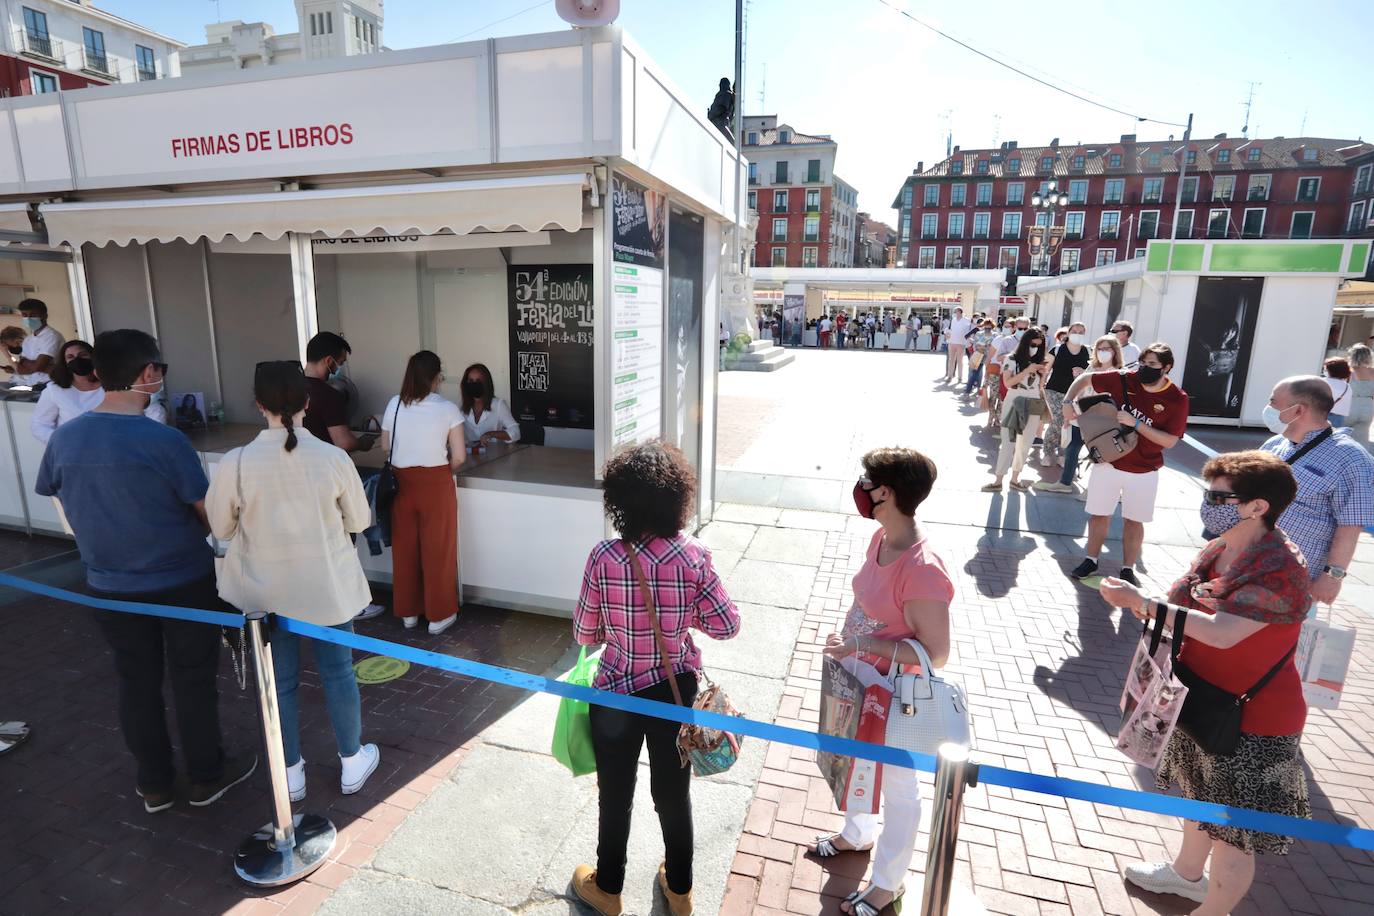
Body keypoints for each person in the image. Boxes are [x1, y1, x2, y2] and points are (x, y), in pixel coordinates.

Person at [34, 329, 255, 813]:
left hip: (107, 585)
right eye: (159, 369)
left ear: (96, 373)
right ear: (148, 373)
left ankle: (154, 783)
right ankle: (205, 775)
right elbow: (208, 514)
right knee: (193, 680)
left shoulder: (66, 438)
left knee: (136, 682)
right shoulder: (164, 441)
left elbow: (54, 491)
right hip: (182, 582)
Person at [1100, 450, 1311, 916]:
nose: (1208, 501)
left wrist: (1148, 604)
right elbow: (1190, 611)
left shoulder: (1279, 566)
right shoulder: (1223, 545)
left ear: (1258, 506)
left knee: (1235, 833)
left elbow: (1223, 633)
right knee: (1201, 798)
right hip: (1205, 698)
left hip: (1254, 718)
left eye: (1220, 495)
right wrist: (1144, 606)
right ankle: (1186, 876)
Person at [570, 441, 740, 916]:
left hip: (615, 692)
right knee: (672, 793)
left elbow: (584, 631)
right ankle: (680, 891)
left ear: (620, 501)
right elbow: (728, 624)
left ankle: (607, 888)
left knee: (615, 794)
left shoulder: (603, 556)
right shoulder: (694, 556)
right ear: (675, 498)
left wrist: (616, 626)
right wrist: (684, 616)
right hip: (673, 690)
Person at [207, 361, 380, 802]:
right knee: (339, 674)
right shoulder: (333, 458)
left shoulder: (236, 462)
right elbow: (360, 519)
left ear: (258, 403)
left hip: (263, 594)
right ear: (306, 402)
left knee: (278, 683)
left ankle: (291, 772)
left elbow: (221, 529)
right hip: (327, 586)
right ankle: (351, 761)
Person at [810, 447, 953, 916]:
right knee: (856, 761)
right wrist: (850, 637)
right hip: (860, 680)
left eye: (867, 480)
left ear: (886, 492)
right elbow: (870, 603)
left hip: (895, 697)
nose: (862, 487)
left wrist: (861, 647)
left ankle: (888, 883)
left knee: (899, 788)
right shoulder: (881, 539)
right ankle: (857, 834)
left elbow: (937, 654)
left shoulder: (924, 567)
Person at [1062, 343, 1189, 585]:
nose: (1144, 368)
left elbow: (1170, 441)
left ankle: (1127, 568)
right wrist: (1068, 403)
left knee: (1134, 520)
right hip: (1108, 462)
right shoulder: (1124, 379)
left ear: (1167, 368)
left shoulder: (1177, 399)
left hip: (1145, 469)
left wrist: (1137, 425)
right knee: (1099, 515)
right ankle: (1091, 559)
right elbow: (1087, 378)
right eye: (1143, 362)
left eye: (1152, 364)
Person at [1258, 376, 1374, 606]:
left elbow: (1350, 525)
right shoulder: (1273, 445)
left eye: (1273, 402)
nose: (1268, 408)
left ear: (1298, 410)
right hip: (1248, 564)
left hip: (1292, 579)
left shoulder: (1350, 458)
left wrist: (1332, 577)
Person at [381, 351, 465, 635]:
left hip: (402, 483)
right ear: (436, 377)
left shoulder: (394, 404)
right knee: (437, 549)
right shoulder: (448, 408)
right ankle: (439, 615)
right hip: (436, 483)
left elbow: (385, 446)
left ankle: (408, 613)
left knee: (405, 549)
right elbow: (460, 457)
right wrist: (443, 470)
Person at [31, 340, 164, 444]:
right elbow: (39, 425)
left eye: (83, 355)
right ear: (64, 363)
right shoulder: (55, 391)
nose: (77, 360)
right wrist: (65, 442)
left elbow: (153, 410)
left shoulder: (113, 385)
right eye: (70, 357)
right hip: (74, 454)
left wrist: (144, 440)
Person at [1036, 335, 1123, 493]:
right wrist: (1070, 415)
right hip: (1080, 415)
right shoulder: (1091, 368)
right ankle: (1065, 483)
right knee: (1072, 448)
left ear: (1115, 351)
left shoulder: (1120, 373)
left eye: (1106, 349)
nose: (1102, 352)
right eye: (1099, 349)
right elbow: (1079, 391)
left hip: (1102, 421)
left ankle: (1096, 489)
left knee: (1100, 454)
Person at [983, 327, 1050, 492]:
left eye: (1039, 345)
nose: (1035, 347)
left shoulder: (1041, 362)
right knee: (1008, 442)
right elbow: (1008, 383)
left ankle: (1015, 479)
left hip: (1033, 403)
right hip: (1014, 401)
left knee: (1025, 443)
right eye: (1032, 344)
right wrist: (1028, 370)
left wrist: (1042, 373)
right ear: (1025, 342)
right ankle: (998, 479)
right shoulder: (1011, 359)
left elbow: (1040, 387)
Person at [302, 331, 373, 453]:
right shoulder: (329, 395)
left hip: (293, 465)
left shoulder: (287, 388)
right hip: (323, 464)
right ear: (329, 361)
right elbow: (344, 443)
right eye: (340, 363)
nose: (337, 370)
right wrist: (362, 443)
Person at [1041, 322, 1091, 469]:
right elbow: (1045, 369)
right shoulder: (1057, 349)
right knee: (1059, 420)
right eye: (1074, 331)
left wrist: (1083, 372)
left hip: (1077, 394)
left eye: (1081, 332)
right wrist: (1040, 387)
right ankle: (1048, 452)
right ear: (1068, 333)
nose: (1077, 334)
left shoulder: (1088, 351)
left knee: (1069, 422)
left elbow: (1094, 373)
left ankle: (1062, 454)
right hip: (1054, 390)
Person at [459, 362, 521, 450]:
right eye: (471, 381)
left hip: (495, 457)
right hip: (471, 456)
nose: (474, 384)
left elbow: (516, 432)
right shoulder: (463, 408)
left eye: (478, 381)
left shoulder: (498, 404)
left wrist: (491, 434)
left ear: (486, 383)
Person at [5, 299, 64, 388]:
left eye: (33, 315)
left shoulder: (52, 336)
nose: (28, 319)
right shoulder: (28, 340)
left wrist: (28, 363)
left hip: (52, 384)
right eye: (25, 315)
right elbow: (21, 370)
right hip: (34, 385)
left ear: (44, 316)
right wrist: (46, 367)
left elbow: (38, 367)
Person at [1346, 343, 1374, 438]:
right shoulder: (1373, 371)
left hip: (1350, 404)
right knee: (1362, 437)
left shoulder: (1348, 371)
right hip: (1368, 406)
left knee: (1343, 435)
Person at [963, 319, 996, 398]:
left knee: (988, 376)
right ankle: (968, 392)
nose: (987, 329)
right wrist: (979, 347)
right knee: (974, 374)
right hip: (979, 355)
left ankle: (982, 393)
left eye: (989, 327)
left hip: (991, 357)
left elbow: (995, 346)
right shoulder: (979, 333)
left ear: (992, 327)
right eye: (986, 327)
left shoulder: (995, 335)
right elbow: (974, 345)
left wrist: (987, 347)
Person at [944, 307, 973, 383]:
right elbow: (948, 329)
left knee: (960, 361)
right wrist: (946, 333)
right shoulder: (953, 320)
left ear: (960, 312)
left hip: (961, 343)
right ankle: (950, 376)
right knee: (951, 360)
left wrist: (968, 341)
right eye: (954, 312)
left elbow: (969, 331)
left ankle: (960, 377)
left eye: (956, 311)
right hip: (952, 342)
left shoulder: (966, 320)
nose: (955, 313)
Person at [1323, 357, 1353, 427]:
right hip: (1339, 418)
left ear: (1330, 369)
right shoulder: (1347, 387)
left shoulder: (1322, 382)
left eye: (1325, 369)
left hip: (1321, 415)